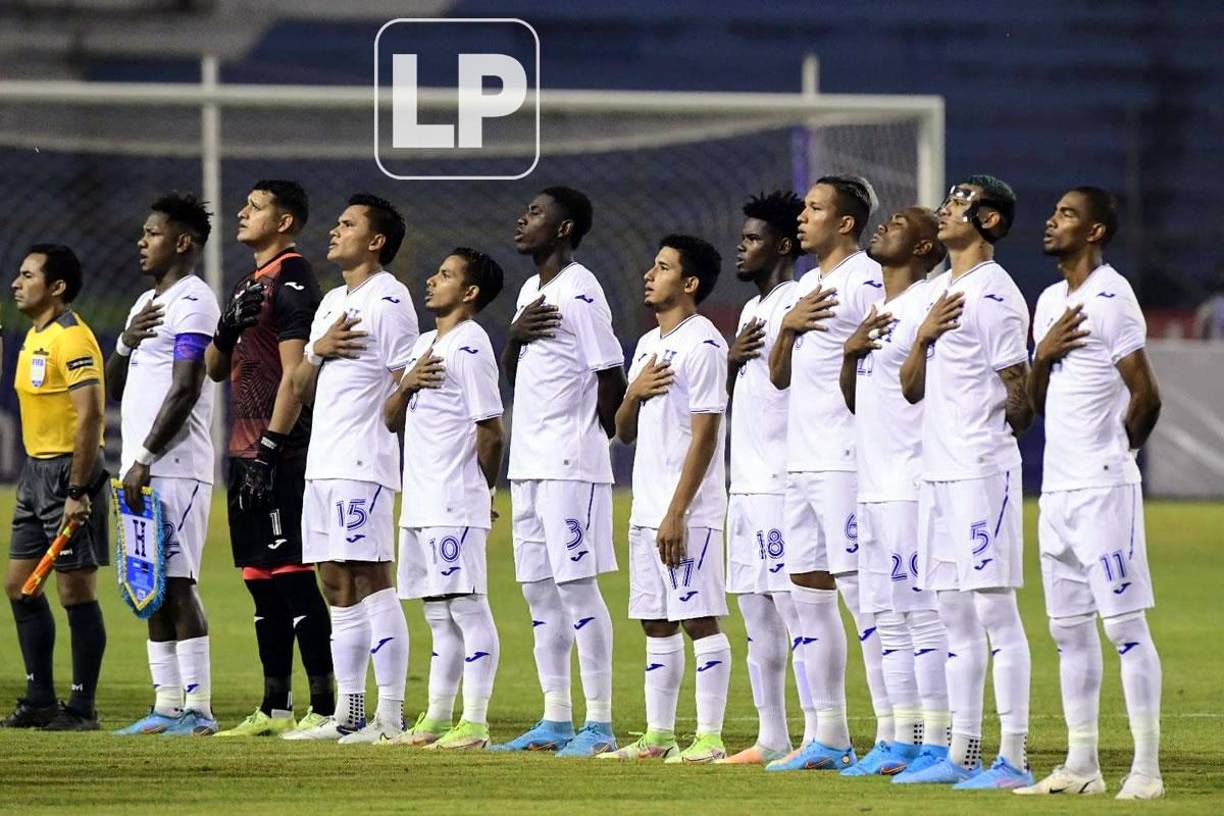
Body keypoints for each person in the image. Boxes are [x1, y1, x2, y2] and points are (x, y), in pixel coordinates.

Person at [1016, 187, 1164, 800]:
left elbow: (1146, 394)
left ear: (1097, 231)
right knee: (1068, 632)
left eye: (1068, 214)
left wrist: (1118, 457)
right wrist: (1043, 357)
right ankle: (1082, 766)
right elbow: (1034, 405)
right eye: (1053, 212)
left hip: (1103, 491)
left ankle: (1147, 771)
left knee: (1124, 629)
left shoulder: (1112, 296)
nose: (1052, 221)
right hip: (1057, 495)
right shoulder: (1049, 300)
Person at [897, 175, 1035, 788]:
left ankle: (1015, 757)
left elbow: (1021, 393)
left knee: (994, 612)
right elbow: (912, 389)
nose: (944, 210)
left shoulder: (994, 292)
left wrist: (989, 438)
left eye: (960, 203)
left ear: (991, 222)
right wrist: (924, 339)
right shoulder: (942, 292)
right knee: (952, 613)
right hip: (939, 472)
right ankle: (963, 753)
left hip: (980, 472)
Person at [492, 187, 626, 757]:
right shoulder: (530, 291)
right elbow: (515, 378)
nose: (523, 218)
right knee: (538, 593)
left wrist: (588, 439)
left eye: (537, 213)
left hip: (569, 467)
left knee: (576, 588)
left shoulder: (581, 289)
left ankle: (598, 724)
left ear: (565, 228)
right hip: (527, 465)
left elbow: (611, 374)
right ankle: (555, 718)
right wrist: (513, 336)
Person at [204, 180, 335, 739]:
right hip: (244, 449)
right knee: (259, 577)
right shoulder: (246, 284)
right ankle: (274, 705)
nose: (242, 212)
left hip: (279, 451)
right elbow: (214, 368)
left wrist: (271, 450)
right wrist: (227, 325)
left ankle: (327, 708)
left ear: (284, 222)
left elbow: (294, 375)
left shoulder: (294, 278)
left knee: (295, 576)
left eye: (255, 207)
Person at [286, 193, 418, 743]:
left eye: (348, 224)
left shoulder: (390, 301)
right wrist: (317, 350)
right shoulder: (332, 301)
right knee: (334, 580)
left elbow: (409, 382)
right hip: (324, 460)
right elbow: (299, 387)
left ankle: (389, 717)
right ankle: (350, 712)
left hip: (364, 462)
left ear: (376, 240)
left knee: (369, 577)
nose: (335, 231)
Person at [766, 175, 888, 772]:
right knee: (807, 597)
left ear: (845, 223)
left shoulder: (865, 279)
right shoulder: (807, 285)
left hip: (845, 460)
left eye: (815, 208)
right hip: (800, 460)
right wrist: (787, 328)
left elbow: (885, 359)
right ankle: (830, 737)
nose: (803, 216)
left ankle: (895, 736)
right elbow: (778, 377)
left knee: (865, 598)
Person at [602, 234, 730, 764]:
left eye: (662, 267)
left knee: (699, 617)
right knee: (656, 621)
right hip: (647, 506)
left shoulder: (703, 344)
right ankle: (658, 736)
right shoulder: (649, 345)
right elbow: (622, 431)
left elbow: (705, 435)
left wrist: (678, 512)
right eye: (651, 266)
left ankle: (709, 737)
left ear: (690, 283)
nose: (648, 275)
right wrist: (634, 390)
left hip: (687, 512)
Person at [839, 208, 952, 778]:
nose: (885, 225)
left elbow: (925, 398)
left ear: (927, 246)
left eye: (902, 223)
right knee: (886, 615)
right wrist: (850, 351)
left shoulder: (928, 307)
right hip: (873, 486)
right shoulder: (880, 312)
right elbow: (860, 403)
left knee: (921, 617)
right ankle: (898, 740)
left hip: (910, 486)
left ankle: (940, 742)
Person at [107, 193, 223, 736]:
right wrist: (126, 345)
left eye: (152, 233)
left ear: (182, 242)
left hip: (175, 467)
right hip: (142, 467)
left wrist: (146, 457)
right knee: (149, 583)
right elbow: (113, 387)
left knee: (178, 583)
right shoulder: (143, 305)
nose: (141, 241)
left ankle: (198, 710)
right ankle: (166, 705)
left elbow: (186, 388)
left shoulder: (194, 301)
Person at [382, 248, 506, 750]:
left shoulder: (470, 346)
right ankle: (436, 718)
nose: (432, 280)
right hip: (421, 501)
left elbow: (491, 432)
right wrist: (407, 385)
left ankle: (474, 722)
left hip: (454, 499)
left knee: (468, 608)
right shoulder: (422, 346)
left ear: (470, 293)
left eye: (447, 275)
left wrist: (484, 491)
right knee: (437, 613)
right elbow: (390, 419)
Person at [719, 191, 819, 765]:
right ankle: (772, 736)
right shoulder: (754, 312)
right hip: (748, 483)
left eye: (754, 238)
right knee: (757, 616)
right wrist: (732, 364)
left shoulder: (797, 300)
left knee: (795, 610)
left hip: (783, 481)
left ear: (783, 246)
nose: (743, 245)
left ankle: (817, 732)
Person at [3, 244, 108, 731]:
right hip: (33, 475)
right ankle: (40, 698)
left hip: (69, 475)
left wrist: (79, 488)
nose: (16, 283)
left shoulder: (74, 340)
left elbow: (90, 416)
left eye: (27, 275)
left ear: (57, 287)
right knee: (20, 588)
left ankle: (82, 708)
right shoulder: (32, 336)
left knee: (74, 593)